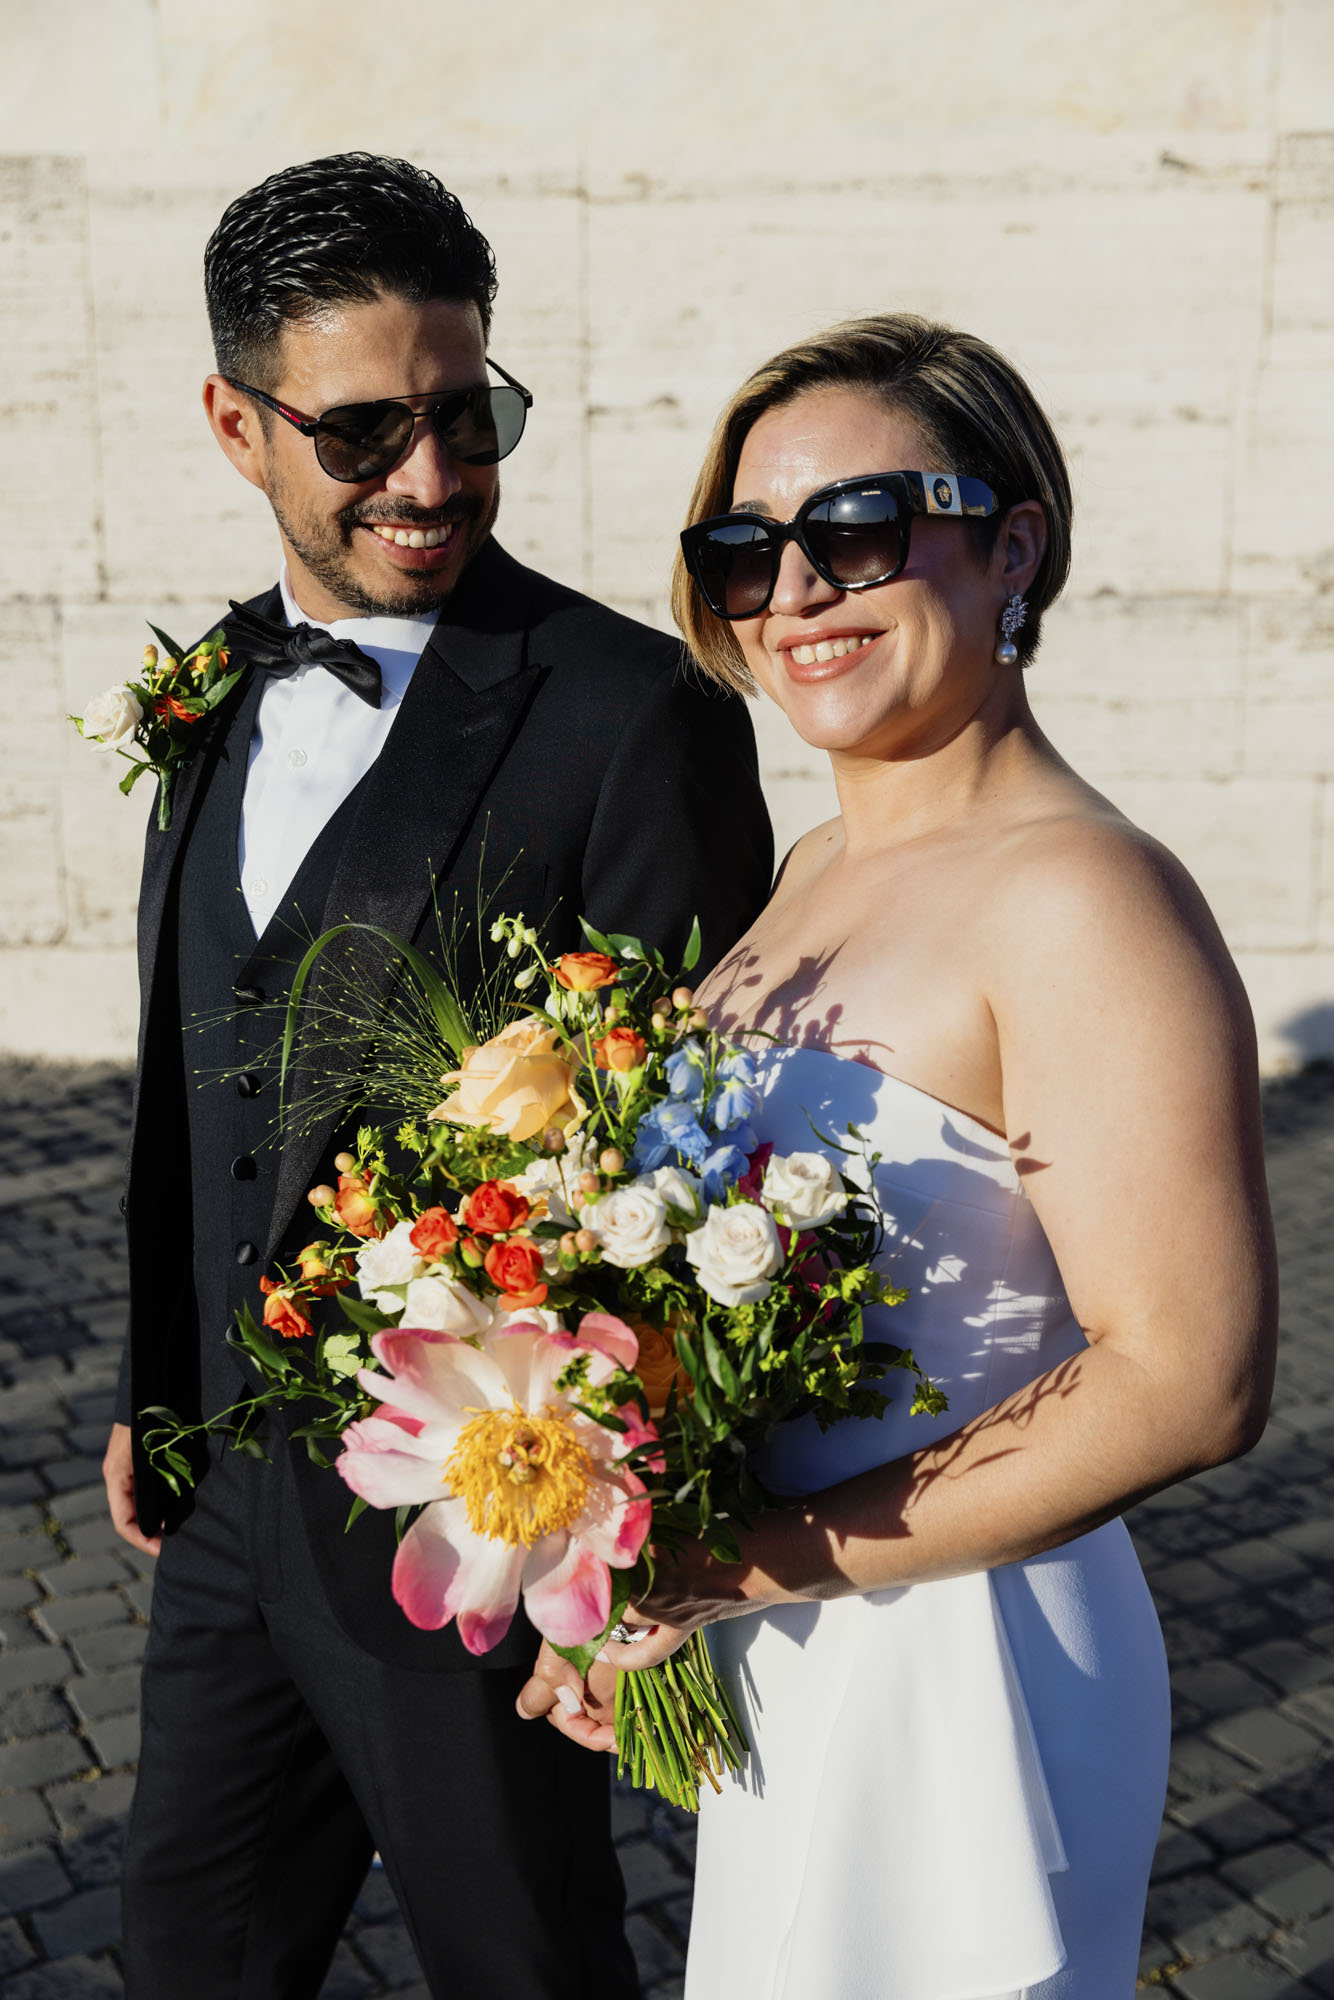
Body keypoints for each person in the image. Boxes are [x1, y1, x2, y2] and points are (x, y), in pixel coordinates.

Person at [517, 315, 1277, 1998]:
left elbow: (1186, 1378)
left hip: (967, 1658)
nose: (793, 588)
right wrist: (635, 1553)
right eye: (739, 550)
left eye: (856, 527)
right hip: (794, 1631)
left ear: (1013, 545)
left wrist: (729, 1566)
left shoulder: (1082, 897)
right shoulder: (806, 864)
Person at [101, 151, 772, 1999]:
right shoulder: (211, 686)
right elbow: (188, 1061)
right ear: (238, 423)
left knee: (521, 1957)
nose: (429, 475)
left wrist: (640, 1570)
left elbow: (698, 1160)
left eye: (467, 413)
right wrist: (165, 1378)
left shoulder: (637, 719)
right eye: (368, 427)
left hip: (483, 1509)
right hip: (226, 1491)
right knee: (190, 1946)